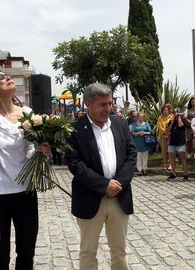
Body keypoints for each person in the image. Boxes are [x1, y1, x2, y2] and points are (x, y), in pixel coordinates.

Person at [0, 69, 50, 269]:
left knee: (27, 252)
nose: (8, 78)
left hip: (26, 191)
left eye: (7, 74)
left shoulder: (28, 114)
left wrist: (41, 150)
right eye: (0, 77)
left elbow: (30, 150)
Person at [65, 83, 136, 270]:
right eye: (103, 104)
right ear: (88, 104)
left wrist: (118, 184)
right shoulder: (75, 129)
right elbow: (75, 163)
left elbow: (131, 155)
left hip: (120, 197)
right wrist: (104, 185)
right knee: (88, 251)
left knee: (120, 249)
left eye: (110, 103)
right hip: (89, 198)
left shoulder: (120, 124)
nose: (108, 108)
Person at [166, 108, 189, 180]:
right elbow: (167, 131)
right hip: (172, 143)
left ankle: (185, 174)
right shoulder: (171, 121)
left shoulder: (184, 120)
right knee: (172, 158)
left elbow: (180, 125)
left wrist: (179, 117)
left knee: (182, 158)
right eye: (175, 113)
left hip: (181, 143)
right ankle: (173, 173)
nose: (176, 114)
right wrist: (172, 122)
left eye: (178, 113)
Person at [157, 104, 173, 172]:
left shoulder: (171, 117)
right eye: (164, 110)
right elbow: (160, 127)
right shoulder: (160, 118)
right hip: (163, 136)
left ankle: (170, 164)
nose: (165, 111)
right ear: (162, 111)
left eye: (166, 110)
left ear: (169, 111)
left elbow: (172, 125)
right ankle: (164, 164)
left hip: (170, 136)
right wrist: (165, 132)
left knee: (170, 150)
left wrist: (168, 133)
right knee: (164, 151)